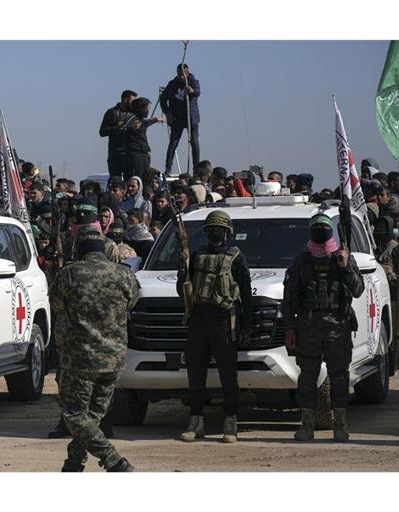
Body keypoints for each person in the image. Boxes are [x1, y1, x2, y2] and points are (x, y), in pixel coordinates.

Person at [50, 226, 140, 472]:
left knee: (75, 415)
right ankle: (74, 462)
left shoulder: (69, 274)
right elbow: (133, 301)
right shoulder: (125, 275)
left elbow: (57, 304)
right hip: (113, 358)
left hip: (80, 358)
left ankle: (114, 461)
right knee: (92, 416)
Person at [282, 214, 364, 442]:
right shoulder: (302, 261)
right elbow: (288, 299)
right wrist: (289, 328)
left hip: (338, 327)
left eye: (324, 227)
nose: (320, 231)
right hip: (308, 328)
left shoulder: (343, 257)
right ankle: (307, 425)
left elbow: (357, 290)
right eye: (316, 228)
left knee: (340, 377)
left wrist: (345, 266)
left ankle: (340, 425)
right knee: (307, 378)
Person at [178, 210, 252, 443]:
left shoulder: (236, 257)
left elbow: (246, 293)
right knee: (195, 374)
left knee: (228, 375)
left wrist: (247, 325)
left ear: (227, 232)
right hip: (198, 320)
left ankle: (230, 421)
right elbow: (183, 291)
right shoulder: (196, 256)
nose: (214, 232)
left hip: (224, 320)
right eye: (210, 229)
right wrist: (183, 270)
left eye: (218, 229)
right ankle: (195, 420)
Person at [161, 64, 201, 175]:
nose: (181, 77)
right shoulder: (172, 84)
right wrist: (167, 113)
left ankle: (196, 169)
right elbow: (163, 99)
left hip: (191, 119)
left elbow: (198, 92)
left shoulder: (193, 81)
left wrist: (192, 91)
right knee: (173, 143)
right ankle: (168, 168)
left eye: (183, 74)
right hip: (177, 119)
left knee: (194, 142)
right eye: (179, 74)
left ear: (187, 73)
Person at [124, 97, 164, 182]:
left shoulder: (140, 120)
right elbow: (124, 128)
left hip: (143, 154)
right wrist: (130, 127)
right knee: (137, 180)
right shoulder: (132, 118)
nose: (147, 111)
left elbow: (143, 129)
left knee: (145, 179)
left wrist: (147, 150)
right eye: (146, 109)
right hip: (136, 155)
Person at [99, 89, 137, 179]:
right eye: (133, 100)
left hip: (129, 153)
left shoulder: (134, 114)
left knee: (130, 179)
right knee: (115, 180)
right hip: (115, 153)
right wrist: (116, 128)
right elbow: (102, 132)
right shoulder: (111, 112)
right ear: (126, 99)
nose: (135, 103)